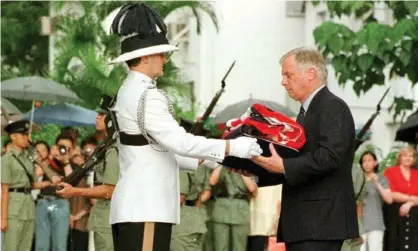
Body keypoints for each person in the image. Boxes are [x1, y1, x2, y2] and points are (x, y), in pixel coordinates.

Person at [107, 3, 262, 251]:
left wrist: (202, 159)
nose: (164, 59)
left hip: (139, 205)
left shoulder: (130, 90)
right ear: (145, 57)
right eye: (160, 54)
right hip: (146, 205)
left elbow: (152, 147)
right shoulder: (147, 95)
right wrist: (234, 147)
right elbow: (180, 141)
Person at [252, 47, 359, 251]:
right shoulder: (306, 111)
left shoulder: (333, 106)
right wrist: (258, 169)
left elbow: (328, 157)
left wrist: (283, 166)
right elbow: (297, 160)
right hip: (305, 223)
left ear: (310, 74)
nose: (283, 82)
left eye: (288, 75)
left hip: (321, 221)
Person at [57, 95, 120, 251]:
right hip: (102, 215)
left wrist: (75, 191)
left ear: (112, 118)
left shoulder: (115, 148)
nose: (97, 117)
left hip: (109, 217)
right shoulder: (104, 146)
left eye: (102, 114)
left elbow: (110, 190)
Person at [1, 120, 51, 251]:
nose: (26, 138)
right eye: (23, 135)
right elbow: (4, 190)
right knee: (11, 247)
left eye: (27, 134)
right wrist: (3, 218)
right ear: (12, 136)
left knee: (26, 247)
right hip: (13, 209)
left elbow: (32, 184)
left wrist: (50, 182)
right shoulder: (6, 160)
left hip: (28, 207)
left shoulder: (28, 159)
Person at [209, 166, 258, 251]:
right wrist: (224, 163)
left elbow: (253, 189)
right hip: (221, 211)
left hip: (240, 212)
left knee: (239, 247)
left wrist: (240, 169)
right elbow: (212, 181)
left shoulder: (248, 168)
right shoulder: (222, 168)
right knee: (220, 246)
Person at [383, 146, 418, 251]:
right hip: (395, 214)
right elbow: (392, 194)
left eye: (411, 156)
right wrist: (412, 198)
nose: (408, 158)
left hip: (414, 215)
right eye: (405, 156)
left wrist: (409, 203)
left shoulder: (417, 174)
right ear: (400, 157)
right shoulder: (390, 171)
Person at [359, 151, 392, 251]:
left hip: (375, 223)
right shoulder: (357, 179)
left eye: (370, 160)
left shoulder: (382, 179)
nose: (367, 163)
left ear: (375, 162)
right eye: (364, 161)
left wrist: (377, 183)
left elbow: (389, 200)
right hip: (358, 224)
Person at [341, 163, 368, 251]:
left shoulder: (326, 165)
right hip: (354, 225)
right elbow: (359, 204)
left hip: (337, 226)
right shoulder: (359, 170)